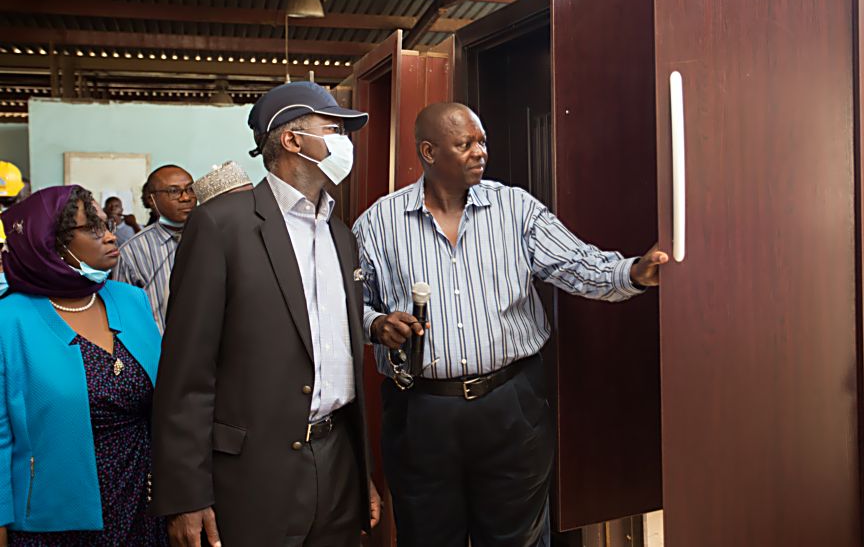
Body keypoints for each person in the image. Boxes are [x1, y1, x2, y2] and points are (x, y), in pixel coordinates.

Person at [352, 102, 668, 547]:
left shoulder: (515, 209)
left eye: (482, 142)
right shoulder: (377, 225)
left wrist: (632, 273)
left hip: (511, 405)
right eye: (465, 144)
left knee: (517, 540)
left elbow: (577, 265)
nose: (480, 152)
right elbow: (351, 307)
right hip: (421, 414)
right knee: (426, 537)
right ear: (428, 151)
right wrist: (377, 323)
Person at [151, 81, 380, 547]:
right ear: (293, 140)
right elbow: (186, 372)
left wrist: (362, 472)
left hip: (336, 461)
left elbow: (340, 358)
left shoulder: (340, 234)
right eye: (334, 129)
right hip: (253, 474)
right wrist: (185, 495)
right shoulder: (223, 226)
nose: (346, 142)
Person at [0, 186, 166, 545]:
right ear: (53, 242)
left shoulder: (131, 300)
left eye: (107, 225)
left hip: (143, 503)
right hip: (55, 518)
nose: (109, 236)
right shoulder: (10, 319)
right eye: (92, 229)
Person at [113, 166, 195, 333]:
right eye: (174, 191)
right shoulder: (132, 252)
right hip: (159, 352)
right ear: (152, 199)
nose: (186, 197)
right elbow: (123, 316)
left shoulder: (215, 238)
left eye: (190, 189)